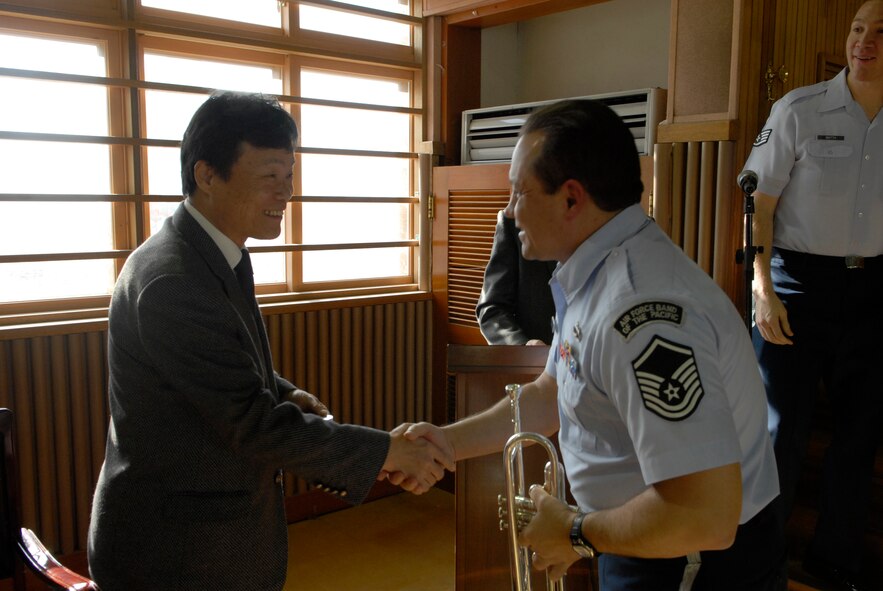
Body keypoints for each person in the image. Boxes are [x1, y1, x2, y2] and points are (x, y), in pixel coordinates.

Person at [403, 99, 785, 590]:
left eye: (520, 192)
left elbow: (703, 515)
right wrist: (446, 443)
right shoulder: (593, 272)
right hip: (637, 535)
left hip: (688, 560)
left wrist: (574, 533)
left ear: (571, 199)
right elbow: (552, 391)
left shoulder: (642, 314)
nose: (510, 210)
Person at [87, 91, 453, 591]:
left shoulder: (211, 250)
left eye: (290, 176)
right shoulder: (173, 280)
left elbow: (224, 366)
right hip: (175, 550)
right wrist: (389, 452)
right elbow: (251, 423)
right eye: (269, 177)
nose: (285, 194)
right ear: (207, 175)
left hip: (208, 536)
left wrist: (284, 392)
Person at [742, 2, 883, 589]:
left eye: (880, 32)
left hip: (874, 290)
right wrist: (762, 288)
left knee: (859, 437)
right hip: (796, 284)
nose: (864, 41)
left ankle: (835, 563)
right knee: (779, 433)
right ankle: (757, 566)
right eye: (857, 28)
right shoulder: (797, 108)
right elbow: (758, 204)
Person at [476, 209, 557, 345]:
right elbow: (491, 309)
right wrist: (522, 346)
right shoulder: (512, 220)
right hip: (534, 356)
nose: (511, 205)